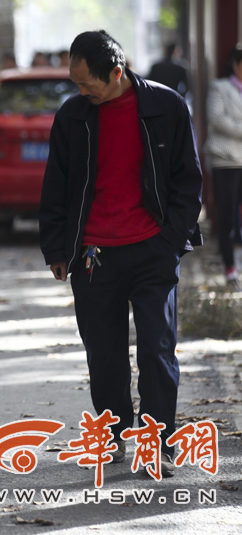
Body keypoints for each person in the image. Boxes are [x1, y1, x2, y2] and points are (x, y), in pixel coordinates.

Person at [39, 30, 203, 478]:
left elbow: (189, 180)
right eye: (75, 82)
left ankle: (156, 445)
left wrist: (171, 239)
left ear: (116, 71)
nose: (80, 91)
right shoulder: (73, 116)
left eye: (87, 83)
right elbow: (56, 185)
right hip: (94, 256)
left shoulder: (166, 106)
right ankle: (112, 437)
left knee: (157, 348)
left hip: (153, 249)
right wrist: (57, 247)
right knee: (105, 354)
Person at [204, 45, 242, 288]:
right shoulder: (220, 88)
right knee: (227, 217)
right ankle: (229, 268)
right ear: (236, 65)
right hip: (225, 161)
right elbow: (217, 118)